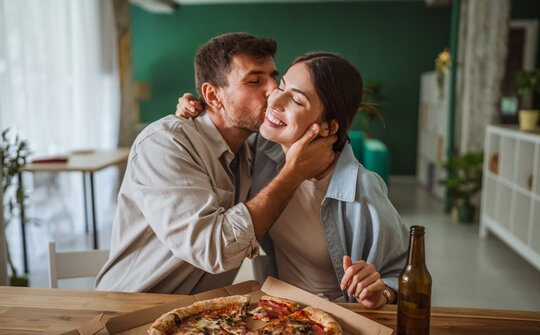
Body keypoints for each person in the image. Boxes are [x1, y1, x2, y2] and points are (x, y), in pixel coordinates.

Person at [95, 33, 337, 294]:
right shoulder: (164, 144)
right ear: (212, 96)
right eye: (255, 81)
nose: (273, 91)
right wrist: (293, 173)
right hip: (126, 310)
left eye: (273, 78)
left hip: (200, 319)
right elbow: (215, 250)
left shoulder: (254, 148)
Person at [176, 52, 408, 308]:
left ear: (330, 127)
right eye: (282, 87)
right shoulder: (261, 153)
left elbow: (404, 273)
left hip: (336, 317)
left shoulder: (361, 188)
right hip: (276, 311)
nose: (274, 100)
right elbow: (224, 128)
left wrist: (382, 292)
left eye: (296, 100)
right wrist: (199, 109)